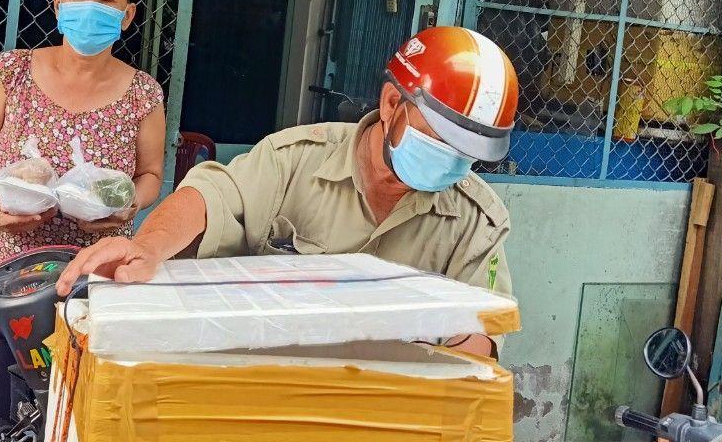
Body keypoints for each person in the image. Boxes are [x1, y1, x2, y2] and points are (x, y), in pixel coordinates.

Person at [57, 26, 518, 358]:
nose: (453, 161)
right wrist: (149, 246)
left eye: (468, 153)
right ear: (392, 102)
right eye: (441, 139)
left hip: (389, 414)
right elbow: (212, 196)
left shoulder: (476, 219)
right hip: (268, 391)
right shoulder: (297, 158)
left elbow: (482, 334)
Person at [0, 0, 166, 417]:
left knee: (80, 420)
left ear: (128, 15)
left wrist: (131, 206)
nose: (91, 7)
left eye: (106, 0)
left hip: (96, 280)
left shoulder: (143, 93)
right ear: (58, 3)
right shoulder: (12, 71)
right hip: (6, 280)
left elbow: (150, 175)